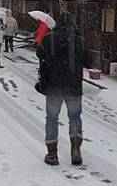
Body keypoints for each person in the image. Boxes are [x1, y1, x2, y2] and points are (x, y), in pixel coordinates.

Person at [36, 11, 92, 166]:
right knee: (74, 118)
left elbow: (39, 54)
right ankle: (75, 149)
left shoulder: (50, 38)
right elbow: (89, 62)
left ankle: (52, 153)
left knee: (52, 119)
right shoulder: (79, 40)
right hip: (73, 86)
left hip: (54, 85)